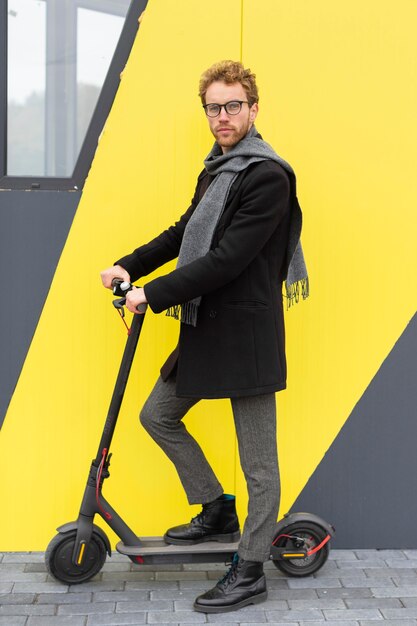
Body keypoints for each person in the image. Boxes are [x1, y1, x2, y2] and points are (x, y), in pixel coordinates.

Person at [101, 60, 308, 613]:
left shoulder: (266, 176)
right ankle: (216, 507)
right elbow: (184, 231)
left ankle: (252, 567)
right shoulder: (218, 170)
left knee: (259, 461)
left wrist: (155, 292)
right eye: (213, 107)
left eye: (232, 105)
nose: (222, 117)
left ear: (254, 108)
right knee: (158, 415)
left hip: (245, 333)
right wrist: (128, 265)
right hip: (206, 327)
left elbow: (227, 259)